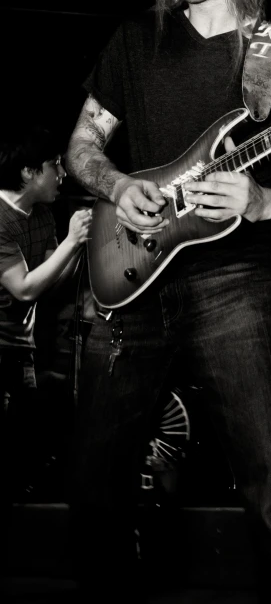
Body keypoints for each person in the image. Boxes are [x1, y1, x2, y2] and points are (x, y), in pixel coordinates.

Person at [65, 0, 271, 603]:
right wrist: (119, 186)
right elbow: (81, 148)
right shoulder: (135, 41)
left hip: (238, 283)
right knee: (94, 484)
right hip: (129, 275)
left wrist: (262, 199)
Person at [0, 125, 91, 588]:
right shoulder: (0, 217)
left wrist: (83, 244)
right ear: (29, 171)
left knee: (26, 442)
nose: (61, 173)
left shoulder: (41, 214)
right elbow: (23, 286)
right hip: (0, 348)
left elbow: (52, 280)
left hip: (23, 347)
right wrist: (74, 243)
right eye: (54, 165)